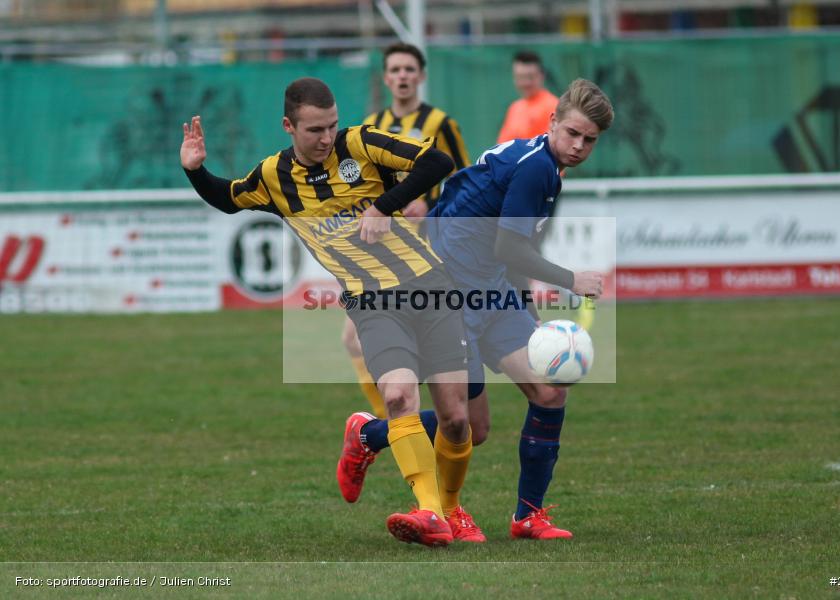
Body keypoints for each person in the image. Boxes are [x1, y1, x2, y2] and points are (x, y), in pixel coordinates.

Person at [179, 77, 473, 548]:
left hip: (430, 287)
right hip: (372, 301)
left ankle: (455, 509)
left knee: (458, 419)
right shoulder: (274, 176)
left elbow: (439, 161)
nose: (326, 138)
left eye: (331, 126)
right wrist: (196, 171)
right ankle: (431, 512)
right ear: (288, 126)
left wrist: (383, 205)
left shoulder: (360, 143)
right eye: (315, 129)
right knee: (399, 397)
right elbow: (228, 197)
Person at [338, 78, 614, 540]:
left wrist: (523, 306)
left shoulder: (545, 166)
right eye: (572, 133)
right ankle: (373, 438)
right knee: (469, 425)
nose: (579, 145)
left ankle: (529, 516)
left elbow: (504, 245)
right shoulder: (536, 168)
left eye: (589, 139)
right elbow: (510, 246)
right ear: (552, 123)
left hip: (491, 290)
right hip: (448, 294)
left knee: (549, 393)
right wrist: (572, 280)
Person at [343, 42, 471, 421]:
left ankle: (405, 421)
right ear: (385, 78)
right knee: (352, 340)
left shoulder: (442, 124)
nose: (402, 76)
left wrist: (430, 206)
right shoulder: (370, 126)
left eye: (409, 70)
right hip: (382, 249)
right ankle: (392, 419)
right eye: (395, 70)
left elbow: (464, 181)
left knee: (429, 344)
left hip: (429, 252)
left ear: (421, 76)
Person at [496, 51, 558, 144]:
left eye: (530, 77)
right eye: (520, 77)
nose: (526, 83)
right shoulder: (515, 108)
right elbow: (502, 146)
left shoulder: (553, 106)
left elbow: (551, 146)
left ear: (542, 76)